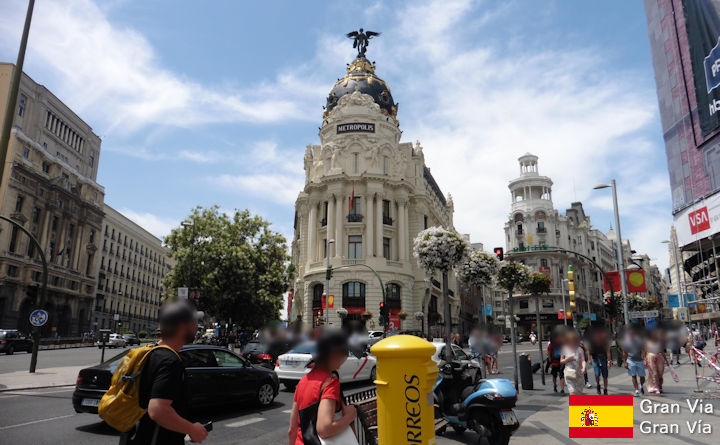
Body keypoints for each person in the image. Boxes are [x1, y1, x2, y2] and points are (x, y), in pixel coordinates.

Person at [122, 301, 207, 445]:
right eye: (193, 322)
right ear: (182, 327)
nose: (196, 327)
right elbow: (158, 410)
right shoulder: (170, 361)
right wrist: (192, 429)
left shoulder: (149, 353)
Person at [288, 331, 357, 445]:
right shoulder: (330, 383)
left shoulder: (303, 382)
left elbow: (292, 430)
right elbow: (324, 429)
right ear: (334, 354)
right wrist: (350, 416)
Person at [622, 328, 647, 397]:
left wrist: (644, 358)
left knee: (642, 376)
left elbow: (643, 350)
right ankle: (636, 389)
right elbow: (624, 352)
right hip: (631, 360)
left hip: (639, 360)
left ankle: (641, 385)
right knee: (633, 376)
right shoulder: (626, 342)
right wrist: (625, 362)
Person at [587, 327, 612, 395]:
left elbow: (608, 351)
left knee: (605, 376)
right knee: (597, 374)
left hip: (603, 360)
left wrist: (609, 361)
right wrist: (589, 359)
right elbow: (588, 350)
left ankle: (605, 389)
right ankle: (598, 385)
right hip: (595, 360)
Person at [561, 330, 586, 395]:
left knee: (579, 393)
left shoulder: (580, 349)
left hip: (579, 374)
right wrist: (567, 360)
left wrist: (583, 368)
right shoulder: (565, 348)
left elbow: (583, 360)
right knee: (572, 392)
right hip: (569, 373)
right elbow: (561, 361)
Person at [645, 330, 666, 394]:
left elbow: (662, 351)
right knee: (654, 373)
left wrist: (666, 361)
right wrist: (644, 359)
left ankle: (660, 386)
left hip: (659, 357)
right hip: (650, 357)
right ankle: (656, 387)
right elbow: (644, 351)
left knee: (660, 374)